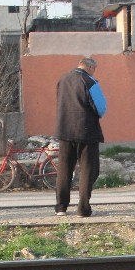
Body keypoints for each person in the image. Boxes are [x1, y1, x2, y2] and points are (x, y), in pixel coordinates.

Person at [55, 57, 106, 218]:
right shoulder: (90, 81)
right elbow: (101, 108)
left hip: (64, 131)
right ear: (90, 67)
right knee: (88, 170)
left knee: (64, 169)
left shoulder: (62, 79)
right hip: (86, 132)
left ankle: (61, 207)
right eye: (95, 69)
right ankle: (83, 209)